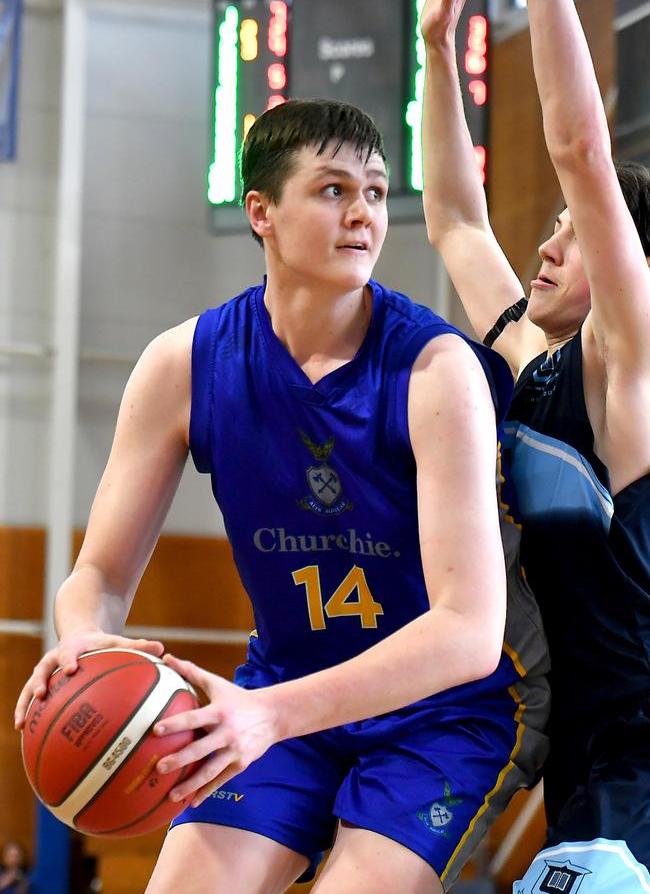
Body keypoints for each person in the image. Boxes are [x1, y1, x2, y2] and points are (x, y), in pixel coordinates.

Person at [15, 98, 548, 894]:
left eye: (373, 191)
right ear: (261, 212)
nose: (363, 214)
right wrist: (84, 640)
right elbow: (99, 575)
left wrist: (269, 715)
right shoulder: (184, 365)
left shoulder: (439, 371)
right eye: (333, 190)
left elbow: (468, 633)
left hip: (448, 709)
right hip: (285, 689)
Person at [418, 0, 650, 890]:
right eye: (547, 228)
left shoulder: (625, 368)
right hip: (578, 758)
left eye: (570, 231)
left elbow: (580, 151)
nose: (546, 245)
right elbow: (452, 224)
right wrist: (435, 50)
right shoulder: (527, 356)